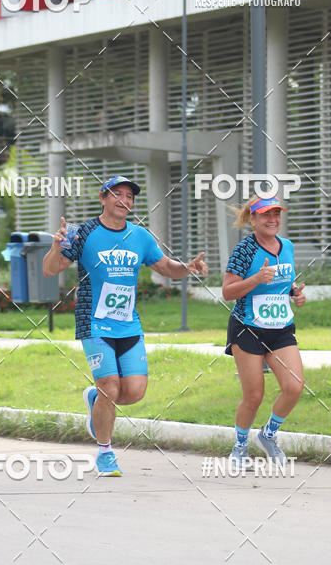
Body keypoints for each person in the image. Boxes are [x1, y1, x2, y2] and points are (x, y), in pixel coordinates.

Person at [42, 175, 208, 477]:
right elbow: (49, 270)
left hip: (128, 325)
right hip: (94, 323)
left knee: (133, 392)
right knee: (109, 386)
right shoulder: (83, 233)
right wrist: (56, 247)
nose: (124, 200)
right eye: (117, 194)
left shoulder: (140, 236)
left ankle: (95, 402)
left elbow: (165, 267)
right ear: (103, 198)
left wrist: (188, 268)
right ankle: (105, 452)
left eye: (129, 196)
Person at [222, 195, 306, 465]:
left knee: (294, 387)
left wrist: (295, 293)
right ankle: (240, 445)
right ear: (253, 218)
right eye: (265, 215)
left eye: (276, 214)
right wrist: (256, 278)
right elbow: (227, 291)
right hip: (248, 327)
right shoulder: (244, 250)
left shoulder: (288, 246)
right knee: (254, 395)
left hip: (280, 328)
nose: (272, 220)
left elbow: (285, 281)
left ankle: (268, 434)